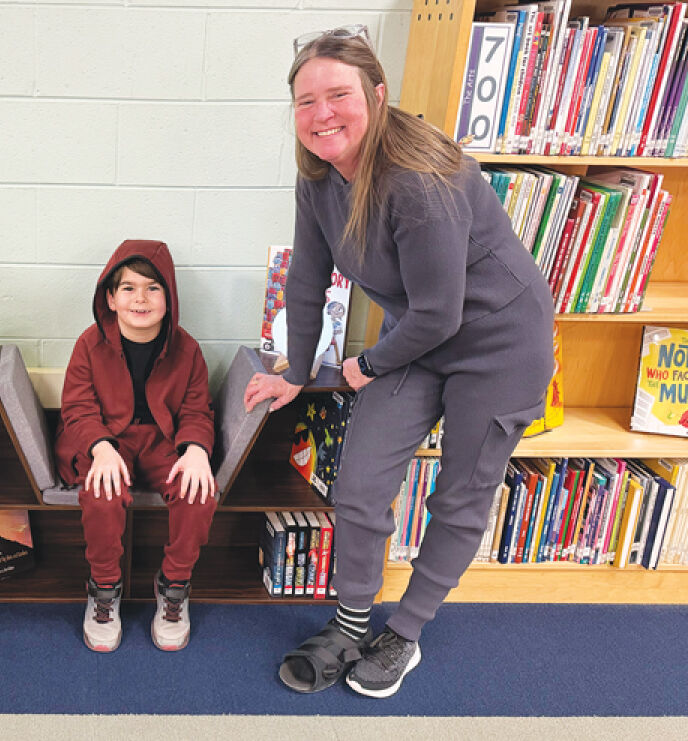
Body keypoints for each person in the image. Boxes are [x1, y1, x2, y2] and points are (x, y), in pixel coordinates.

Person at [243, 27, 554, 698]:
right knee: (358, 485)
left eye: (338, 95)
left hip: (498, 341)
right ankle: (352, 622)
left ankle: (404, 633)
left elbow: (441, 313)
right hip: (420, 337)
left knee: (459, 497)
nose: (322, 114)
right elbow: (308, 277)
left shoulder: (419, 179)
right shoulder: (319, 177)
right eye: (305, 101)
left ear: (377, 97)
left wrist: (363, 366)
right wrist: (298, 370)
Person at [56, 240, 216, 653]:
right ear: (110, 298)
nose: (140, 299)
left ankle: (174, 586)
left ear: (170, 298)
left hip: (164, 442)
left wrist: (196, 449)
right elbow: (76, 407)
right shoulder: (88, 345)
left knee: (198, 492)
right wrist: (100, 447)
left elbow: (198, 409)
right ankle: (104, 589)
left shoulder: (188, 349)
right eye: (128, 288)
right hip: (109, 441)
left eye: (153, 288)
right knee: (101, 493)